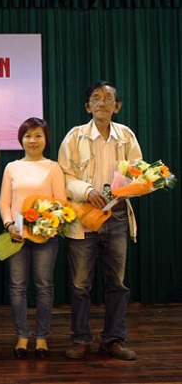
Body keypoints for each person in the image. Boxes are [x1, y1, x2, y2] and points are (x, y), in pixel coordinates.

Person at [58, 81, 142, 361]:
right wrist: (88, 191)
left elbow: (138, 171)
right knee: (81, 284)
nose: (102, 103)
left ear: (117, 107)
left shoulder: (127, 137)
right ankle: (81, 339)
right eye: (96, 98)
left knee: (117, 283)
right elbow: (64, 176)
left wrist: (128, 187)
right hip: (83, 215)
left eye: (108, 98)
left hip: (116, 214)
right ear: (87, 106)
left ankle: (114, 339)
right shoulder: (75, 136)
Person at [0, 117, 66, 358]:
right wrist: (8, 224)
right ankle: (22, 336)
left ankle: (41, 337)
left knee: (44, 287)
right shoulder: (12, 167)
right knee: (17, 288)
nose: (33, 140)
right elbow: (4, 201)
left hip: (45, 238)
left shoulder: (53, 167)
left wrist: (48, 226)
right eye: (28, 135)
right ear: (21, 139)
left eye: (38, 135)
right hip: (17, 237)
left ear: (46, 139)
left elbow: (61, 203)